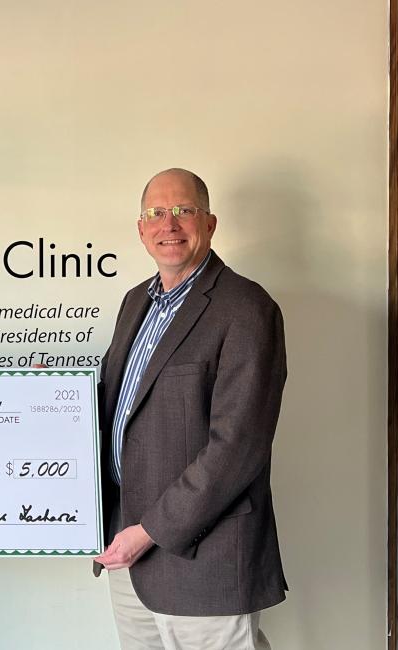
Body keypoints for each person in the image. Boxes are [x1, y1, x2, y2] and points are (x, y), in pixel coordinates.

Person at [94, 169, 287, 649]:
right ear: (141, 230)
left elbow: (236, 447)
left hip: (206, 556)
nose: (169, 224)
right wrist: (49, 398)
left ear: (210, 223)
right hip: (126, 547)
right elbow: (119, 406)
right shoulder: (134, 301)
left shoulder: (246, 308)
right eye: (156, 214)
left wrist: (151, 531)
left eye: (184, 211)